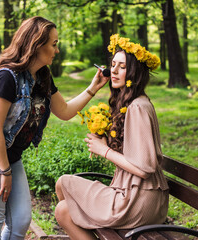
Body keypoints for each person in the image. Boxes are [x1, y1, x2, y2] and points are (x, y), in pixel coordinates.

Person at [0, 16, 108, 240]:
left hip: (10, 155)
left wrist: (93, 88)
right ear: (37, 45)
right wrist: (5, 171)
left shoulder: (42, 76)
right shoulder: (7, 78)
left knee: (20, 221)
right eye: (54, 44)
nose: (57, 50)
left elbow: (65, 111)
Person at [54, 34, 169, 240]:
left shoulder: (138, 107)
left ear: (134, 72)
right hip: (130, 192)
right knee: (63, 196)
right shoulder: (130, 103)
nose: (113, 71)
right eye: (112, 65)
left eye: (122, 67)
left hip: (137, 200)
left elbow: (145, 169)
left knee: (63, 205)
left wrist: (104, 150)